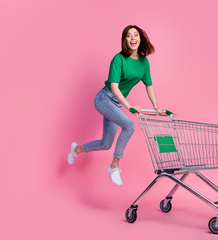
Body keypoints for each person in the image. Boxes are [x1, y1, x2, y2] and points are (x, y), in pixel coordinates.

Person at [67, 25, 165, 186]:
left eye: (135, 35)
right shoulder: (118, 59)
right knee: (129, 126)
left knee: (106, 144)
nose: (132, 38)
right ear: (124, 40)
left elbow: (149, 85)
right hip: (104, 99)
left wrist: (156, 107)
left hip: (117, 103)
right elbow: (114, 87)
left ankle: (77, 149)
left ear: (140, 39)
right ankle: (114, 166)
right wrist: (130, 106)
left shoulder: (144, 62)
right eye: (128, 35)